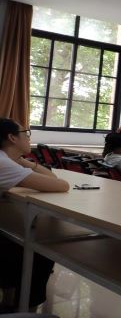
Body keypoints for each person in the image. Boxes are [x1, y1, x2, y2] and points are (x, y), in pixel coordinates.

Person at [0, 117, 69, 311]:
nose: (29, 138)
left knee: (13, 237)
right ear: (12, 138)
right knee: (40, 250)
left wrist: (20, 160)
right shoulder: (3, 163)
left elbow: (52, 178)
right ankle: (26, 310)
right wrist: (24, 162)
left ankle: (8, 301)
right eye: (26, 133)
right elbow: (61, 184)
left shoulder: (5, 160)